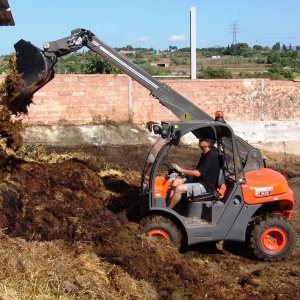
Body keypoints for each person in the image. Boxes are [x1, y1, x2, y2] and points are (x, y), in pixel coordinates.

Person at [167, 138, 220, 209]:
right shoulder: (205, 153)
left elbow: (198, 173)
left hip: (205, 186)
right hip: (198, 180)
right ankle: (169, 203)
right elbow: (202, 169)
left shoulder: (210, 156)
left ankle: (169, 210)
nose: (199, 141)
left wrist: (180, 169)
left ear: (207, 144)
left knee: (179, 188)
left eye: (201, 140)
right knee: (176, 181)